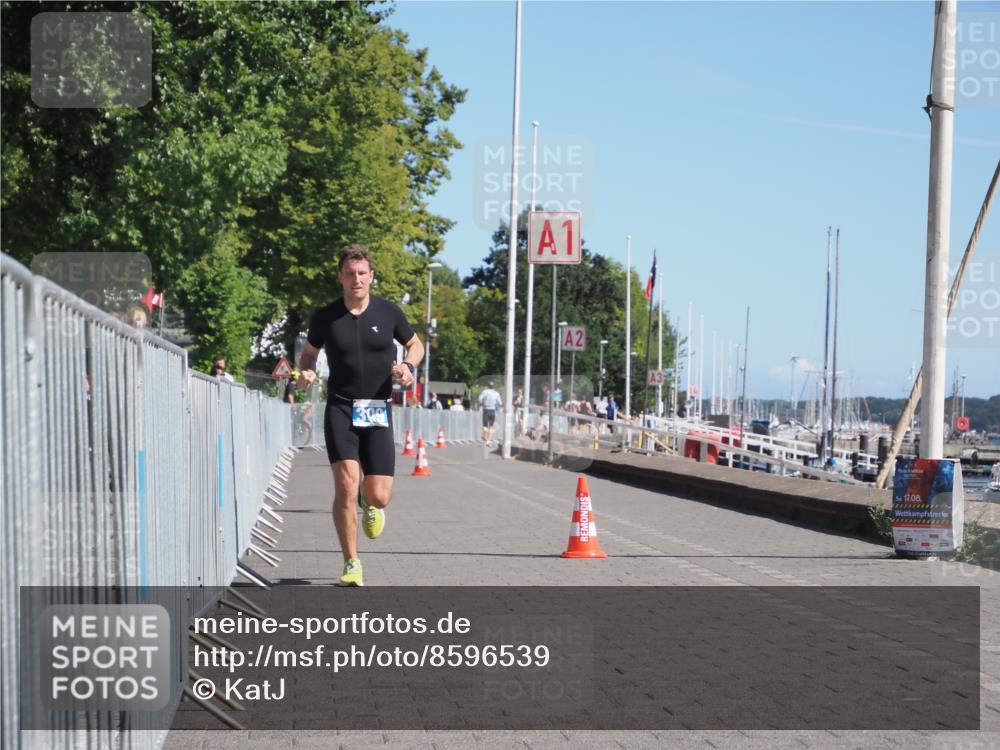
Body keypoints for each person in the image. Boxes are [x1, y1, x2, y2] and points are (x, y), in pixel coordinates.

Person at [296, 244, 424, 587]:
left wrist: (408, 367)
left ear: (372, 277)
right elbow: (308, 355)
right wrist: (306, 372)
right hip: (340, 407)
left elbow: (416, 344)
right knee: (346, 485)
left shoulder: (388, 313)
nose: (356, 279)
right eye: (350, 274)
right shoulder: (325, 317)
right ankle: (352, 562)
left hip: (377, 409)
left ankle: (371, 502)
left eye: (362, 273)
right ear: (340, 277)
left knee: (380, 494)